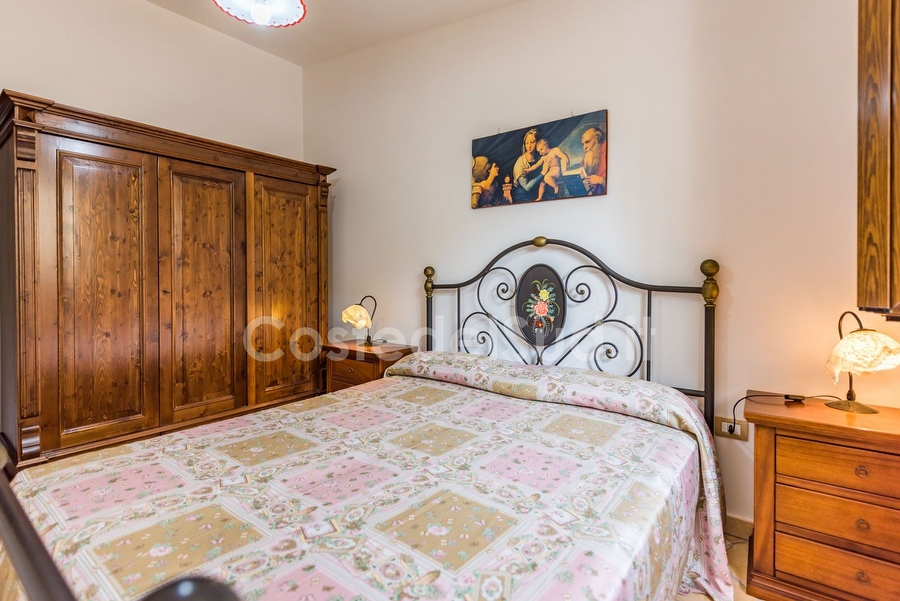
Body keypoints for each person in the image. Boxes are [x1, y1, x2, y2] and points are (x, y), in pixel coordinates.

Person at [511, 128, 543, 202]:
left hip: (539, 191)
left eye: (532, 142)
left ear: (538, 142)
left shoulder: (541, 157)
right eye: (527, 143)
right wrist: (542, 173)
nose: (529, 146)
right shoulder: (520, 163)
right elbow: (527, 187)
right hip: (522, 193)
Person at [578, 126, 607, 195]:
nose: (584, 147)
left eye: (587, 142)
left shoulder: (607, 152)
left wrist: (600, 180)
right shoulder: (588, 155)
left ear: (597, 138)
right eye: (583, 144)